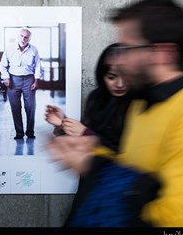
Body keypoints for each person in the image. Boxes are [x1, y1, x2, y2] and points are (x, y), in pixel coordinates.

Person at [47, 0, 183, 227]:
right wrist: (88, 154)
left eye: (126, 49)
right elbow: (130, 167)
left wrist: (94, 166)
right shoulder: (141, 105)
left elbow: (172, 219)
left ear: (163, 53)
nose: (116, 61)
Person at [45, 43, 133, 225]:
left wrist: (86, 133)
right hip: (90, 186)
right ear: (102, 76)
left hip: (120, 192)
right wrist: (62, 124)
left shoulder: (139, 104)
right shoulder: (96, 99)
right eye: (111, 77)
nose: (120, 83)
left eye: (126, 76)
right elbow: (84, 147)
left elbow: (129, 157)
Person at [0, 28, 42, 139]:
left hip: (29, 80)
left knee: (31, 107)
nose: (23, 38)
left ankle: (30, 132)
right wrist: (6, 78)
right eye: (22, 36)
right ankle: (19, 133)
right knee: (15, 107)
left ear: (29, 39)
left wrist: (36, 80)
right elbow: (2, 65)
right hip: (13, 80)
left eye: (26, 37)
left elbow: (38, 66)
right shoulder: (10, 49)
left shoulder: (34, 50)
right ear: (19, 36)